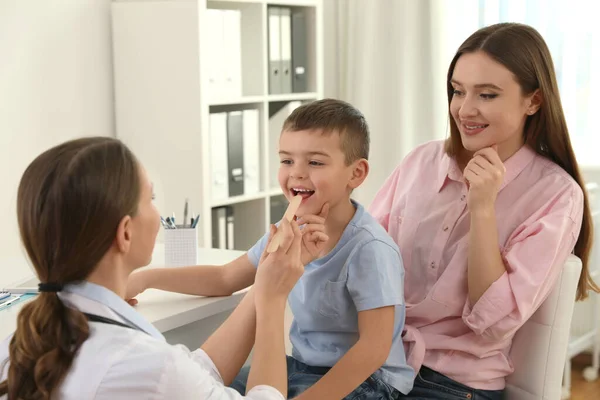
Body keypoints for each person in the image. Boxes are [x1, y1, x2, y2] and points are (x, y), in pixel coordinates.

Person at [369, 22, 600, 399]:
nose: (465, 109)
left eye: (488, 95)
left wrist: (483, 209)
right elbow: (366, 257)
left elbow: (491, 324)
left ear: (534, 101)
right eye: (458, 91)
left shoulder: (556, 196)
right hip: (373, 357)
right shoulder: (421, 161)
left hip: (451, 384)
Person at [126, 99, 414, 398]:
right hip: (301, 367)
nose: (297, 173)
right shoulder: (289, 230)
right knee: (204, 390)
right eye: (287, 161)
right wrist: (145, 279)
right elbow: (225, 278)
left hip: (367, 382)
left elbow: (373, 350)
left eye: (314, 162)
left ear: (356, 173)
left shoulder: (370, 248)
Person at [0, 137, 311, 400]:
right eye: (150, 198)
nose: (158, 211)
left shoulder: (20, 345)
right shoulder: (144, 365)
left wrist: (263, 282)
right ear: (124, 233)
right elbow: (171, 377)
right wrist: (272, 302)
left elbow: (191, 378)